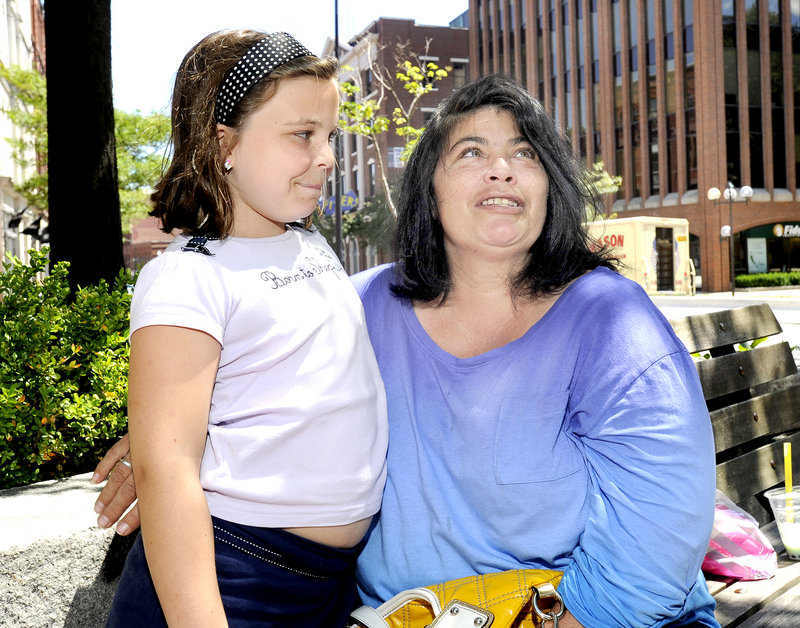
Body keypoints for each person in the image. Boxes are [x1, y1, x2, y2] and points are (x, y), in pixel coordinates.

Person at [94, 73, 719, 627]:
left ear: (549, 184)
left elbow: (660, 536)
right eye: (471, 152)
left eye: (523, 154)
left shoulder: (611, 321)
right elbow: (255, 376)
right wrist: (158, 446)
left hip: (581, 615)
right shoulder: (358, 305)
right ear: (430, 190)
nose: (501, 168)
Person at [101, 29, 388, 628]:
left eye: (329, 136)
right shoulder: (188, 276)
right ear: (222, 142)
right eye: (302, 135)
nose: (328, 155)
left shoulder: (312, 247)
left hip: (329, 584)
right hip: (232, 581)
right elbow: (168, 467)